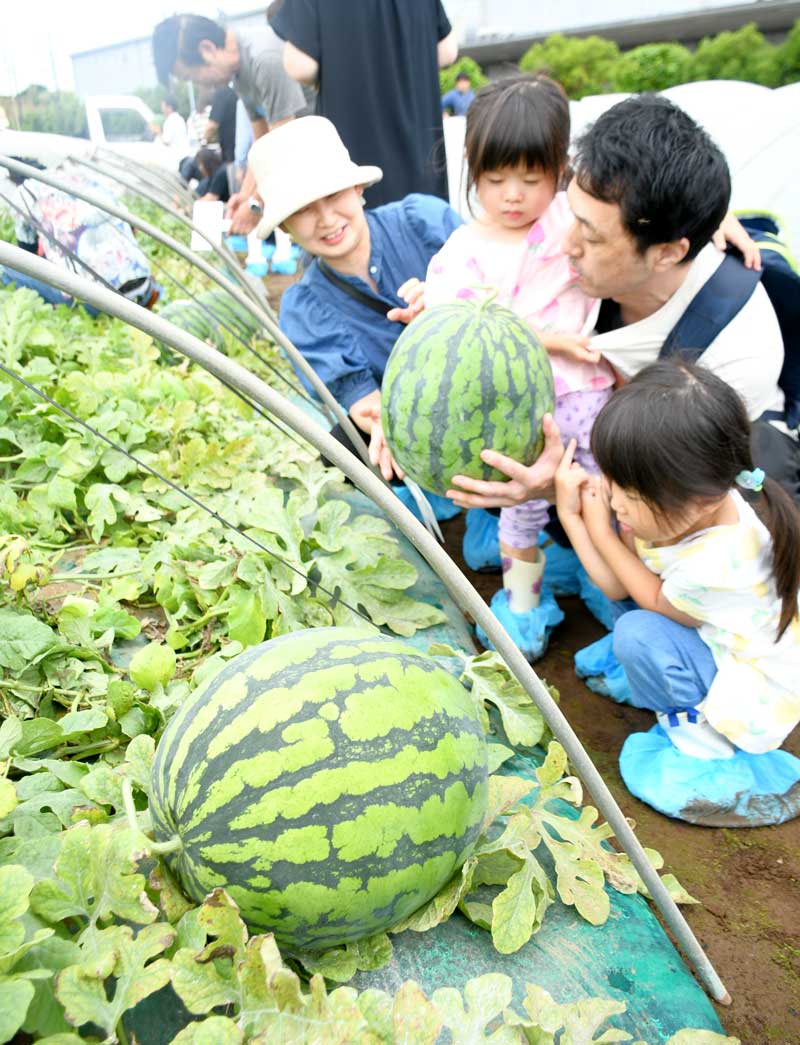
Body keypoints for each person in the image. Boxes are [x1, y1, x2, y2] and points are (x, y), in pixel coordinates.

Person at [446, 94, 792, 515]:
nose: (565, 244)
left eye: (590, 236)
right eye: (569, 213)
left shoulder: (731, 359)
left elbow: (669, 507)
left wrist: (551, 489)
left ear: (666, 253)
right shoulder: (613, 237)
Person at [423, 75, 616, 659]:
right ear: (472, 172)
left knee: (601, 495)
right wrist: (553, 340)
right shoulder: (463, 250)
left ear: (558, 170)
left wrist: (723, 222)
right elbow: (462, 328)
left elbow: (643, 213)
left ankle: (609, 584)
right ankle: (525, 604)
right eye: (495, 179)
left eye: (531, 179)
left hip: (588, 396)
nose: (512, 195)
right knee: (520, 512)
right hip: (519, 410)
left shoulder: (569, 218)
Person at [553, 361, 800, 818]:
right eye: (615, 480)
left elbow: (639, 597)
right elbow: (616, 581)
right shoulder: (689, 502)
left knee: (637, 634)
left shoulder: (720, 562)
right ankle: (673, 679)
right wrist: (584, 517)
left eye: (631, 492)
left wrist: (595, 527)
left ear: (699, 499)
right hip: (712, 636)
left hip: (748, 687)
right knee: (630, 614)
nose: (616, 499)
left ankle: (703, 739)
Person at [247, 115, 462, 510]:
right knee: (339, 451)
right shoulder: (306, 310)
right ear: (287, 228)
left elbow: (508, 292)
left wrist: (453, 303)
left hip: (483, 394)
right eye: (304, 210)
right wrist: (382, 422)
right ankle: (433, 494)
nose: (327, 219)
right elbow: (363, 399)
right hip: (414, 428)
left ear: (358, 187)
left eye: (333, 196)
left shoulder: (424, 224)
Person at [269, 0, 458, 207]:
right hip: (423, 168)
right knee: (428, 228)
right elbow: (447, 52)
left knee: (363, 231)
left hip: (359, 173)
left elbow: (299, 66)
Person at [151, 14, 306, 233]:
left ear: (207, 49)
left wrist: (255, 204)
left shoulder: (263, 58)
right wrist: (245, 193)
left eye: (192, 77)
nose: (198, 84)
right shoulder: (239, 74)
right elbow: (262, 143)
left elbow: (283, 144)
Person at [205, 84, 238, 162]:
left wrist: (203, 142)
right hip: (239, 146)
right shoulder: (232, 92)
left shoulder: (220, 94)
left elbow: (212, 126)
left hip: (231, 151)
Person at [158, 95, 190, 163]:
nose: (162, 109)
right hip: (185, 155)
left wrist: (158, 132)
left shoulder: (169, 121)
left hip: (175, 158)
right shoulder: (180, 119)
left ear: (169, 107)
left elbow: (166, 141)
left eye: (163, 106)